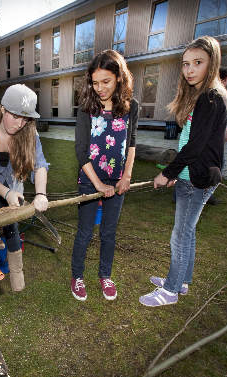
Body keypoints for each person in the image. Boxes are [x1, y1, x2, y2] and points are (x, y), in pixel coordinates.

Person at [139, 36, 227, 307]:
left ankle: (170, 291)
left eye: (197, 63)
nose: (189, 70)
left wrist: (168, 172)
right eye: (186, 64)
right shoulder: (203, 95)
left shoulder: (211, 97)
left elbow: (195, 146)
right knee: (187, 232)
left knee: (179, 234)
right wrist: (178, 173)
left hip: (196, 179)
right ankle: (182, 280)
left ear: (211, 63)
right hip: (191, 176)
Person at [70, 50, 138, 301]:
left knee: (109, 232)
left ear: (119, 77)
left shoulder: (131, 107)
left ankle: (105, 275)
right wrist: (97, 184)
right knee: (85, 232)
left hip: (117, 180)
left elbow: (131, 143)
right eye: (95, 82)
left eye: (106, 81)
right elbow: (81, 150)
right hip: (90, 179)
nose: (100, 88)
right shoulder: (87, 108)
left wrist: (126, 176)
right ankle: (77, 276)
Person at [0, 84, 49, 293]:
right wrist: (6, 193)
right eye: (15, 116)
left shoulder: (28, 131)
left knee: (12, 229)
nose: (19, 124)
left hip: (13, 184)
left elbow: (40, 164)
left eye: (25, 119)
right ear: (3, 109)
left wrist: (41, 194)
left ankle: (17, 275)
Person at [206, 66, 227, 205]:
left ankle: (204, 194)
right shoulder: (217, 95)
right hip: (212, 143)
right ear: (226, 78)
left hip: (209, 141)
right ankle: (206, 195)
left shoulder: (212, 94)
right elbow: (218, 122)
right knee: (217, 167)